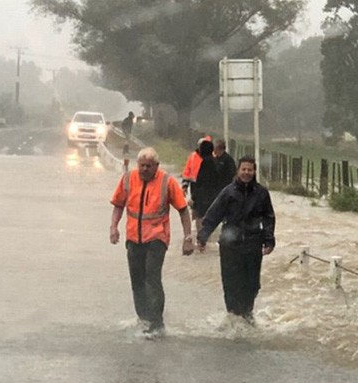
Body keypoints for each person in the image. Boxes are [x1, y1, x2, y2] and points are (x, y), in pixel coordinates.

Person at [110, 147, 194, 337]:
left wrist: (188, 238)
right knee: (137, 280)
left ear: (157, 166)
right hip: (134, 238)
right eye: (142, 166)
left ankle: (157, 323)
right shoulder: (128, 179)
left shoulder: (167, 182)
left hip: (157, 238)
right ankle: (144, 318)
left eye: (149, 166)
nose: (145, 169)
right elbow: (118, 205)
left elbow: (183, 210)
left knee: (152, 277)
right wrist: (113, 227)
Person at [197, 156, 275, 325]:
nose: (246, 173)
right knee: (231, 282)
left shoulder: (262, 193)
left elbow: (268, 217)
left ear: (254, 172)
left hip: (253, 244)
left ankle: (247, 314)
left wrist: (269, 241)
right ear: (238, 171)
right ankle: (233, 316)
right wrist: (203, 236)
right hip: (230, 245)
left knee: (252, 283)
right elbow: (213, 214)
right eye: (243, 169)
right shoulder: (228, 192)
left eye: (250, 170)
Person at [190, 139, 219, 232]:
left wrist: (194, 198)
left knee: (201, 221)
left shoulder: (206, 163)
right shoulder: (214, 161)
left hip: (203, 199)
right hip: (211, 197)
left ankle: (201, 241)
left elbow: (201, 182)